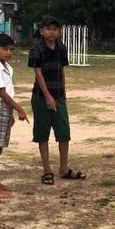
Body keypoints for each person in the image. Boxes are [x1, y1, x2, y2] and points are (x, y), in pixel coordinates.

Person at [28, 17, 86, 186]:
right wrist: (47, 96)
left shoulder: (61, 48)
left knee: (64, 133)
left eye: (55, 29)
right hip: (40, 97)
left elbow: (61, 71)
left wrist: (63, 95)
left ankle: (64, 168)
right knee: (42, 134)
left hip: (59, 96)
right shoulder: (37, 49)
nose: (51, 32)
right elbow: (38, 73)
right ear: (41, 31)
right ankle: (47, 170)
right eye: (48, 29)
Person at [0, 33, 29, 198]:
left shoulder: (7, 68)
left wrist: (11, 112)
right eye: (5, 49)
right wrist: (19, 109)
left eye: (11, 49)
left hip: (5, 108)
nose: (9, 52)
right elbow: (2, 93)